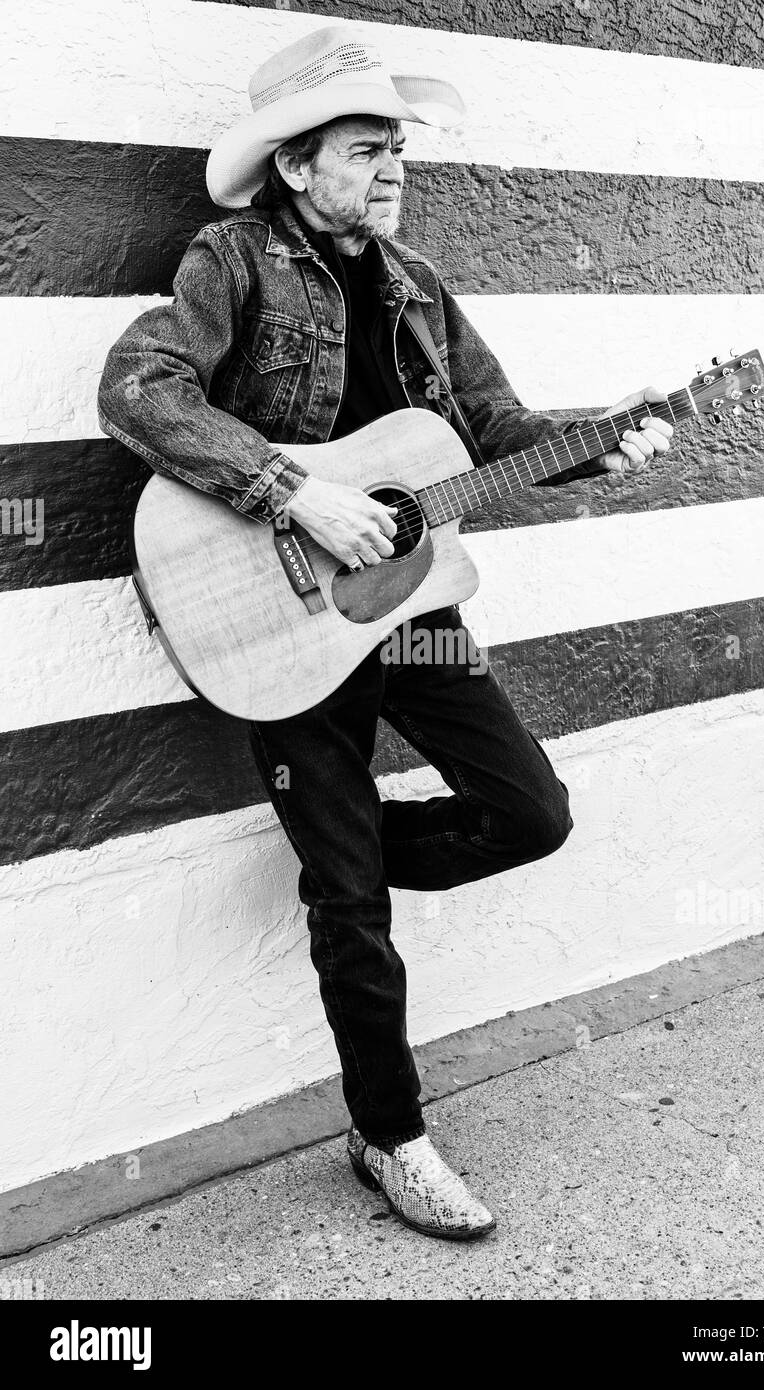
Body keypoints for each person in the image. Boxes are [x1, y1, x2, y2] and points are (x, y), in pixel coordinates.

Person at [97, 25, 674, 1241]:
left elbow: (500, 427)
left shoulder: (414, 284)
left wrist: (603, 442)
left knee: (531, 810)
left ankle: (344, 852)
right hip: (280, 626)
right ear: (297, 166)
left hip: (408, 617)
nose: (393, 164)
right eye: (367, 146)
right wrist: (294, 490)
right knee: (353, 914)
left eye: (397, 146)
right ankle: (390, 1132)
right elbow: (139, 389)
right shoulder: (235, 259)